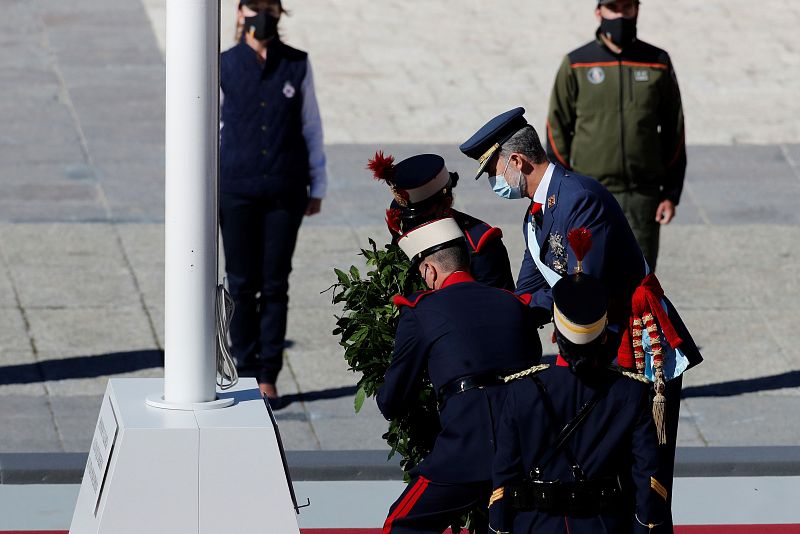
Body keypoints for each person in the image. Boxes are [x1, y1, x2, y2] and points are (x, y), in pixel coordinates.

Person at [460, 107, 700, 532]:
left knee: (643, 479)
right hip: (592, 344)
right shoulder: (534, 216)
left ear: (516, 161)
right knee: (595, 476)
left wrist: (536, 300)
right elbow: (528, 294)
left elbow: (582, 289)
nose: (495, 184)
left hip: (632, 342)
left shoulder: (579, 198)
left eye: (494, 171)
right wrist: (480, 315)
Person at [376, 217, 542, 533]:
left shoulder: (420, 310)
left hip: (467, 445)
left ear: (430, 270)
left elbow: (392, 401)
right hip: (527, 443)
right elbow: (532, 362)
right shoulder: (511, 302)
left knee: (402, 524)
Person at [489, 262, 667, 533]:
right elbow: (648, 477)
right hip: (604, 526)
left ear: (554, 335)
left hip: (535, 526)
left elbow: (504, 479)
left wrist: (499, 529)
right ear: (605, 336)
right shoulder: (630, 392)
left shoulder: (520, 391)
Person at [219, 0, 327, 404]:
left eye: (268, 7)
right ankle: (243, 366)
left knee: (276, 283)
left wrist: (318, 185)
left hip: (285, 188)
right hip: (237, 189)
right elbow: (214, 129)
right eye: (253, 6)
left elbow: (311, 125)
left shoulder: (296, 64)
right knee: (242, 284)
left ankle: (268, 372)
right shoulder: (224, 65)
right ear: (239, 13)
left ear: (280, 13)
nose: (261, 14)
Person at [545, 0, 686, 271]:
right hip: (591, 193)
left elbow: (674, 129)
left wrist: (671, 192)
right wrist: (565, 187)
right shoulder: (576, 64)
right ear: (599, 12)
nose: (620, 15)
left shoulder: (657, 62)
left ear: (637, 10)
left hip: (641, 196)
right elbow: (556, 128)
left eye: (627, 8)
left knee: (640, 282)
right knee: (588, 275)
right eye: (613, 8)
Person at [368, 151, 516, 291]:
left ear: (446, 204)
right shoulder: (406, 228)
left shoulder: (480, 243)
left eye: (422, 218)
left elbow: (498, 303)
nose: (415, 227)